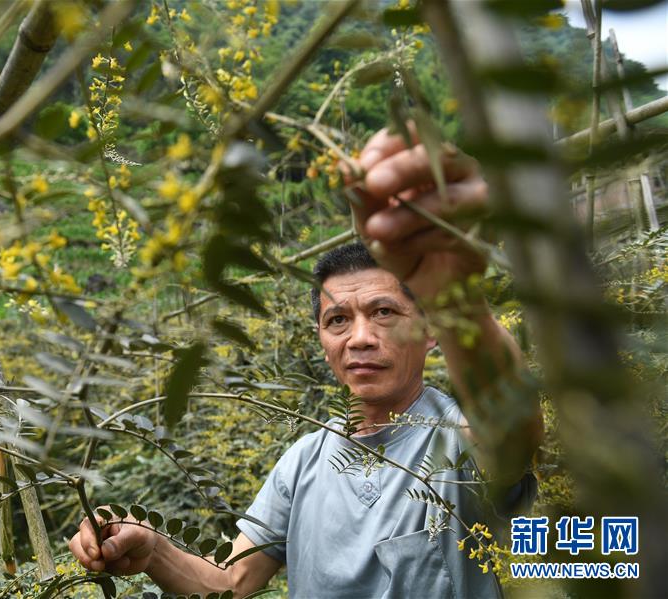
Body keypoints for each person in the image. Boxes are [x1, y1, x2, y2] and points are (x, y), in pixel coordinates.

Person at [68, 128, 543, 597]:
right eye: (338, 319)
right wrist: (152, 550)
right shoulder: (304, 462)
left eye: (384, 312)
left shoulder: (458, 440)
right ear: (321, 339)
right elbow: (230, 582)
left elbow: (510, 424)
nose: (359, 338)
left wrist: (453, 295)